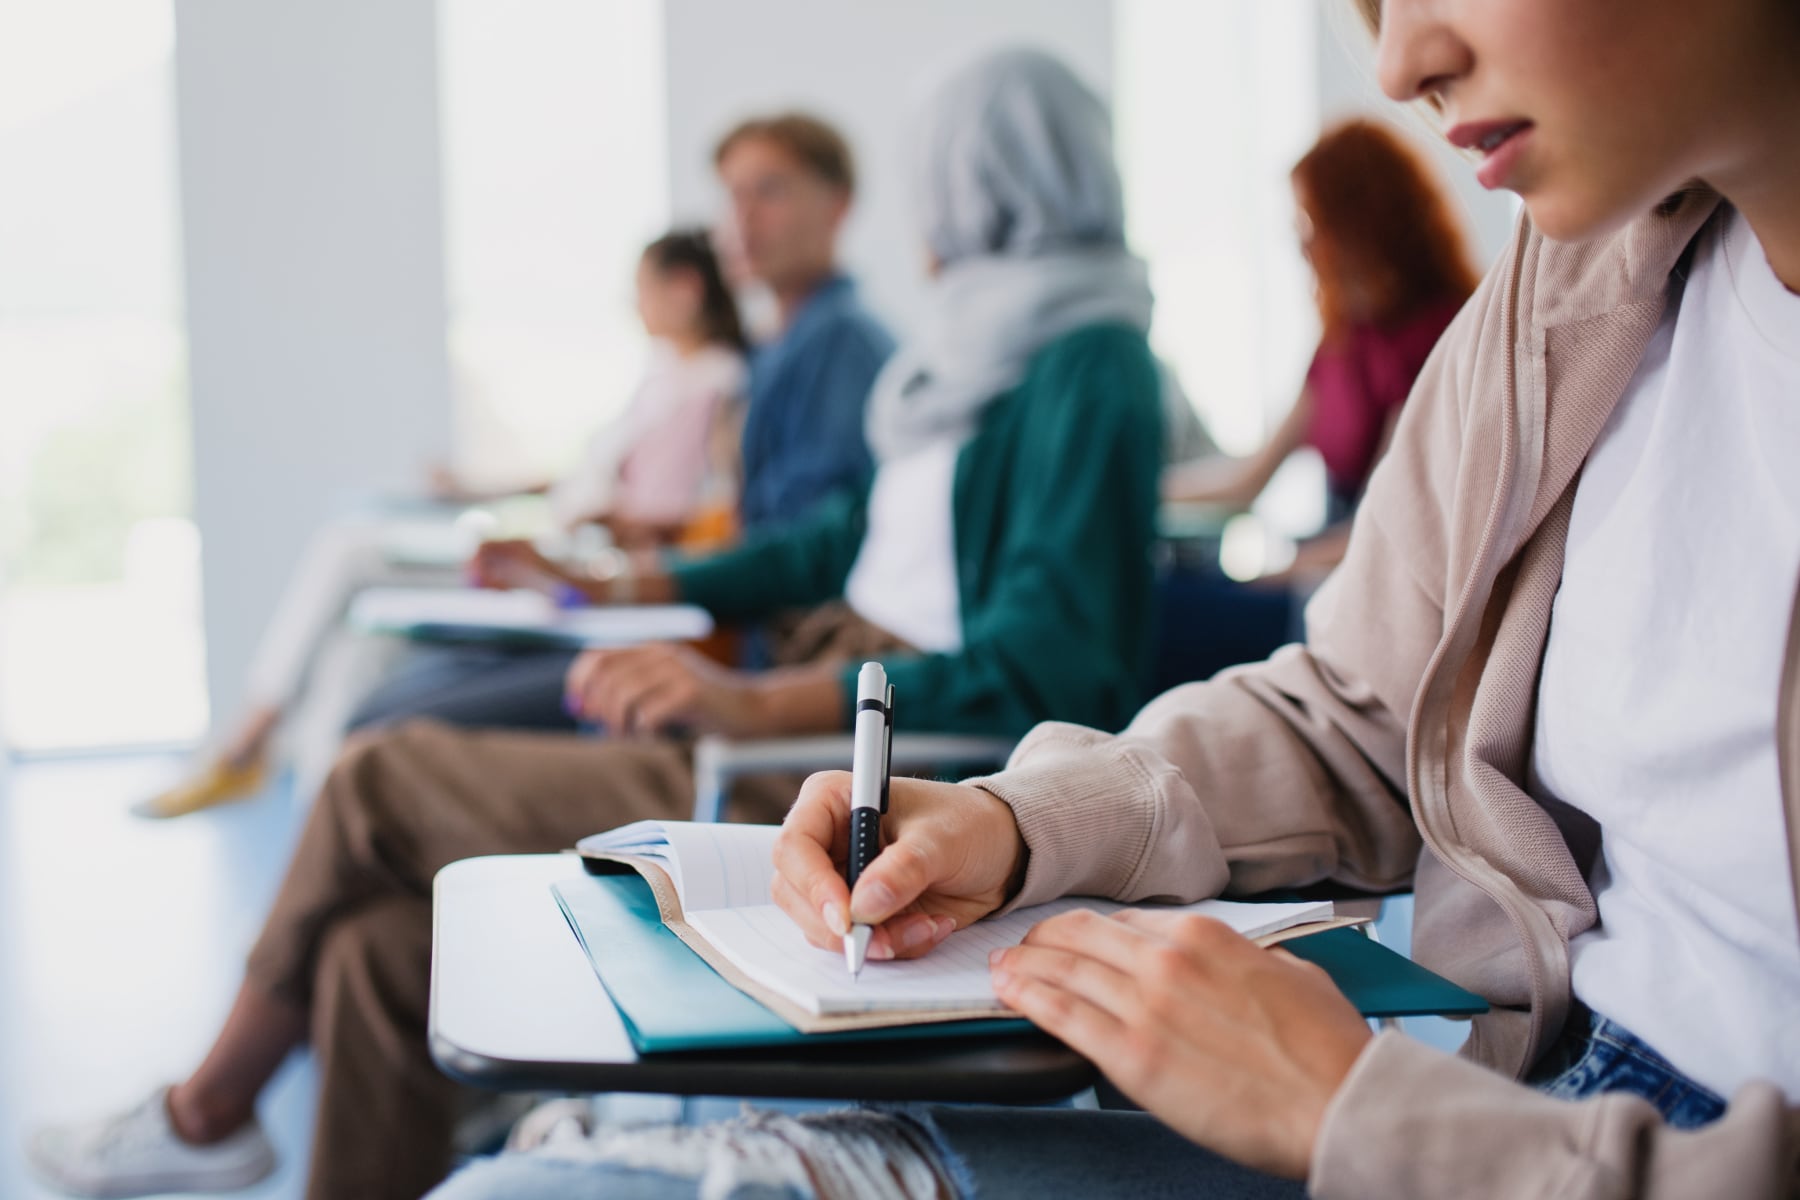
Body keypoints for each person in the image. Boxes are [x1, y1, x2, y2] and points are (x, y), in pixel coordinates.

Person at [430, 0, 1800, 1195]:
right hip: (1511, 1098)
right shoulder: (1564, 296)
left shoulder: (1072, 358)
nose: (1399, 59)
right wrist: (1013, 822)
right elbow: (1361, 711)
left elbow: (1039, 641)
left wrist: (1359, 1110)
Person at [25, 47, 1168, 1200]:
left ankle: (207, 1111)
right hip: (808, 712)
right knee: (376, 956)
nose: (924, 208)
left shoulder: (1090, 365)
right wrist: (628, 582)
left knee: (373, 777)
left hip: (870, 775)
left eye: (942, 174)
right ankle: (220, 1123)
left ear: (997, 180)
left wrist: (749, 697)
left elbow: (1047, 667)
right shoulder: (967, 361)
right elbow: (836, 545)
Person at [137, 227, 750, 819]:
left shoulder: (712, 383)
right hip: (560, 548)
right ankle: (304, 855)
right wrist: (477, 486)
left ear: (685, 288)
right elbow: (584, 481)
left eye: (641, 289)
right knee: (355, 651)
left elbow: (677, 519)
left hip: (575, 575)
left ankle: (248, 740)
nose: (632, 306)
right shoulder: (662, 376)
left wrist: (591, 531)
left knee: (352, 552)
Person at [335, 111, 899, 737]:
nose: (740, 220)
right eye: (731, 197)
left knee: (387, 722)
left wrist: (613, 583)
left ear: (837, 204)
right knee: (402, 690)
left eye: (768, 191)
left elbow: (804, 556)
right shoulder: (777, 351)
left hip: (750, 673)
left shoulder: (840, 350)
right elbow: (752, 530)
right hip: (718, 644)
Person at [1163, 116, 1478, 580]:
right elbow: (1247, 481)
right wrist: (1141, 494)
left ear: (1360, 222)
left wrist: (1279, 574)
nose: (1302, 243)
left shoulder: (1431, 339)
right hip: (1333, 558)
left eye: (1310, 222)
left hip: (1379, 577)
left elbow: (1384, 527)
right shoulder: (1345, 337)